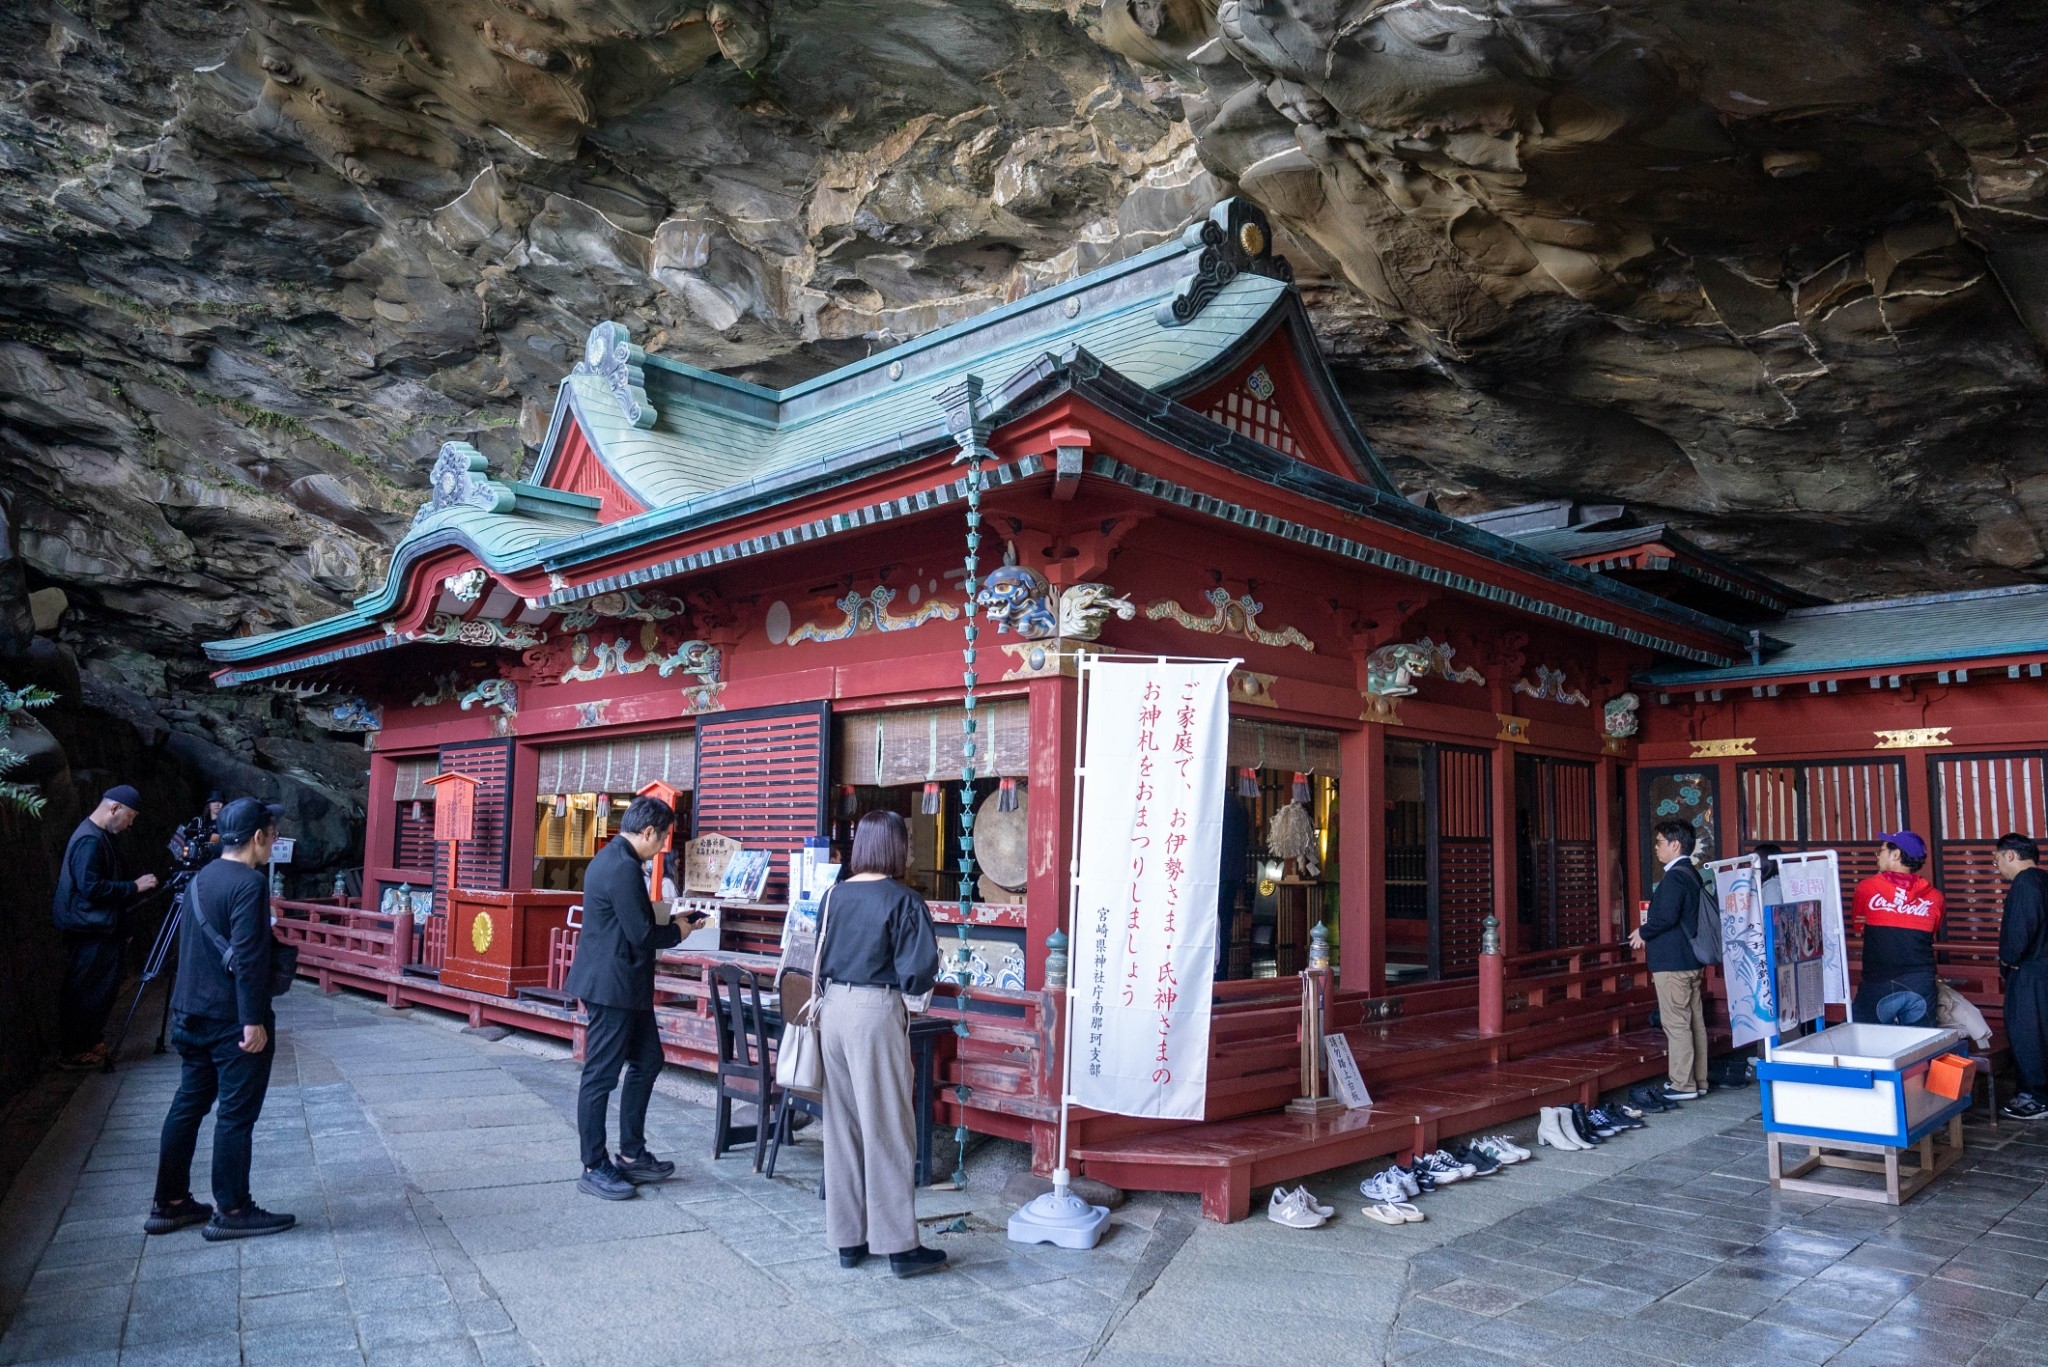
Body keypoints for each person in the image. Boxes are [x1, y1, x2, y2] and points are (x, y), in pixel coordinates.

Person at [148, 797, 293, 1240]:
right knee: (235, 1114)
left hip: (190, 1011)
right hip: (231, 1017)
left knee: (188, 1103)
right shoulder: (249, 884)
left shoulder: (200, 877)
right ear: (257, 837)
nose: (274, 841)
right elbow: (248, 959)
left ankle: (169, 1202)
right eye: (272, 833)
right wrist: (253, 1021)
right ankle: (231, 1209)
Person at [815, 810, 944, 1277]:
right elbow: (918, 970)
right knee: (888, 1128)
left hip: (832, 1011)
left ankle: (848, 1240)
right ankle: (898, 1247)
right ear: (893, 847)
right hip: (874, 1012)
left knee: (842, 1127)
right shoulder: (903, 900)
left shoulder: (834, 896)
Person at [563, 796, 690, 1199]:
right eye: (664, 836)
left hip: (625, 984)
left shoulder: (614, 859)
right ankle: (593, 1164)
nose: (664, 845)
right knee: (600, 1076)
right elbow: (641, 933)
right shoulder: (621, 867)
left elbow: (630, 921)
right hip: (611, 986)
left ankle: (632, 1153)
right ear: (649, 831)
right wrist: (679, 931)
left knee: (648, 1060)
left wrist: (667, 919)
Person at [51, 784, 159, 1070]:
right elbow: (90, 887)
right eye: (130, 817)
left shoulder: (100, 836)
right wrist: (133, 887)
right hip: (89, 929)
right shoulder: (90, 840)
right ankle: (75, 1050)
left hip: (99, 927)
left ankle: (88, 1042)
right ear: (114, 808)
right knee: (86, 990)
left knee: (100, 988)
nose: (130, 824)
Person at [1631, 819, 1708, 1102]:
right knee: (1694, 1021)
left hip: (1673, 963)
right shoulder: (1691, 873)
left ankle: (1682, 1084)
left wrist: (1643, 932)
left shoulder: (1675, 876)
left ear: (1675, 844)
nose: (1657, 847)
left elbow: (1665, 917)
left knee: (1676, 1023)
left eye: (1660, 842)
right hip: (1691, 959)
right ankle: (1698, 1080)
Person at [1850, 831, 1944, 1026]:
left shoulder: (1867, 888)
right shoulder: (1935, 896)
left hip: (1879, 979)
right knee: (1921, 1045)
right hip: (1921, 980)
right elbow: (1933, 929)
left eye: (1881, 850)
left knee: (1865, 1040)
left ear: (1896, 855)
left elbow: (1859, 925)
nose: (1878, 855)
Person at [1995, 833, 2048, 1121]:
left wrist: (2007, 959)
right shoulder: (2044, 880)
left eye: (1997, 859)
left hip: (2028, 975)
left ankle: (2035, 1097)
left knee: (2026, 1034)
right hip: (2043, 971)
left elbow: (2019, 932)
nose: (1997, 865)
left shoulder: (2025, 882)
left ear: (2011, 855)